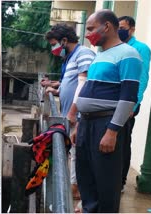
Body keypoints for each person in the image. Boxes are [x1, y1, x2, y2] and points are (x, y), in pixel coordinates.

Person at [72, 10, 142, 213]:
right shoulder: (100, 55)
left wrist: (112, 131)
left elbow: (128, 97)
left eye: (91, 29)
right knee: (85, 175)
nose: (88, 34)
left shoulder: (128, 54)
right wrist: (79, 122)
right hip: (87, 123)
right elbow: (89, 88)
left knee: (105, 181)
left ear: (108, 27)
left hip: (105, 123)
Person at [42, 24, 96, 201]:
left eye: (54, 43)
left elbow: (84, 84)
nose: (53, 48)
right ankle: (74, 188)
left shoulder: (84, 54)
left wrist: (73, 113)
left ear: (64, 41)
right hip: (70, 114)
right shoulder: (69, 58)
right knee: (73, 152)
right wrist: (56, 91)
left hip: (78, 116)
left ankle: (76, 190)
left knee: (77, 154)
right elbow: (71, 84)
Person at [118, 15, 151, 193]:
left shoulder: (140, 48)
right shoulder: (118, 47)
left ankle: (121, 181)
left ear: (132, 29)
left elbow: (142, 78)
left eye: (122, 27)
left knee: (123, 142)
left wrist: (133, 104)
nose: (119, 30)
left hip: (129, 104)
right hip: (115, 103)